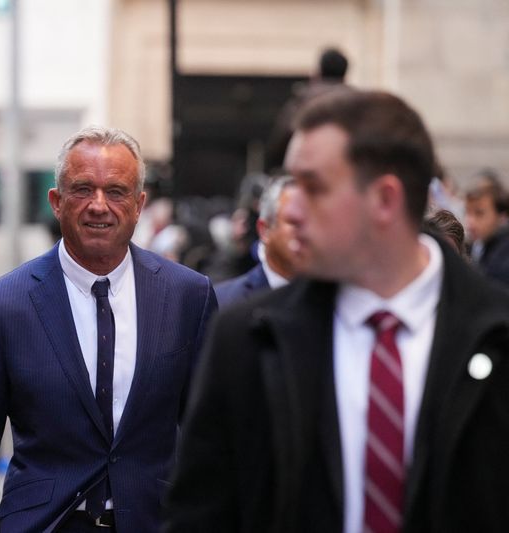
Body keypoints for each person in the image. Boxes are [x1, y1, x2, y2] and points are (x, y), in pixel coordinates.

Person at [165, 88, 509, 532]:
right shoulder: (248, 338)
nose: (294, 209)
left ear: (385, 199)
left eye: (313, 187)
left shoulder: (497, 336)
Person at [0, 126, 217, 532]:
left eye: (117, 191)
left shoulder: (186, 296)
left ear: (139, 204)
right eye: (83, 189)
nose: (99, 205)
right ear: (57, 202)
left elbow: (211, 438)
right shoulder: (1, 307)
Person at [214, 175, 299, 307]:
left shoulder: (335, 300)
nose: (307, 231)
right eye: (294, 221)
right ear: (264, 229)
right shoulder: (224, 301)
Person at [266, 47, 349, 172]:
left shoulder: (301, 101)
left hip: (308, 173)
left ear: (319, 72)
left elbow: (281, 140)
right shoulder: (357, 104)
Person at [464, 171, 509, 282]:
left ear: (502, 215)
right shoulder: (480, 246)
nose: (470, 221)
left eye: (479, 213)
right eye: (467, 212)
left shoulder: (502, 261)